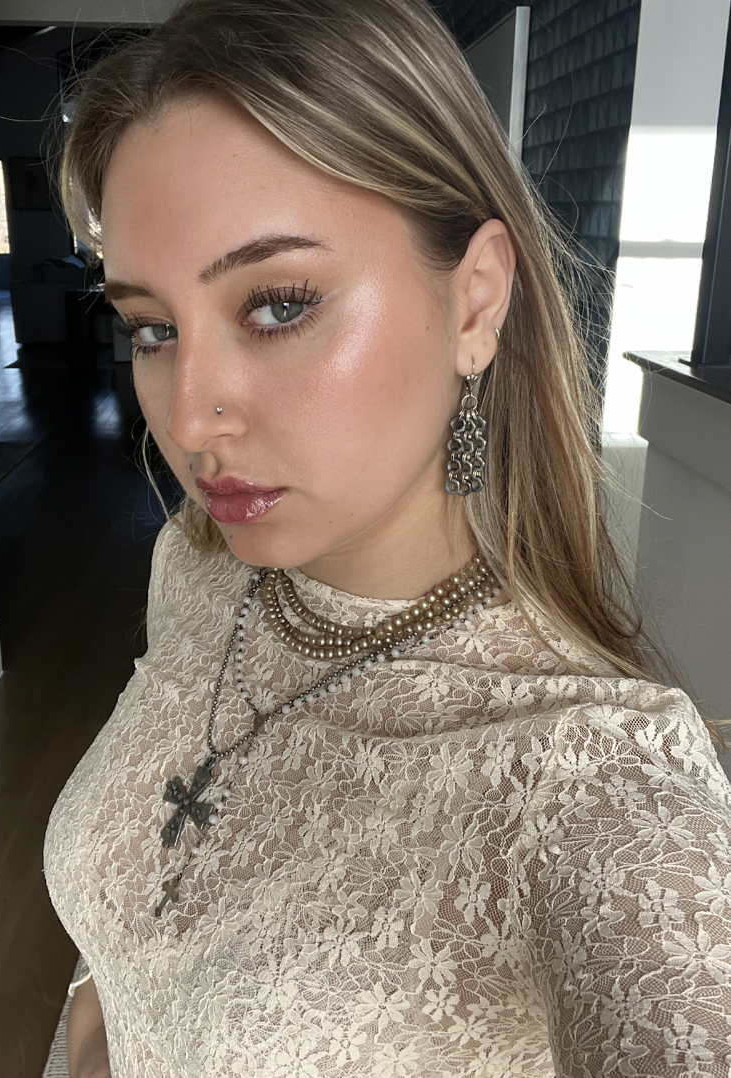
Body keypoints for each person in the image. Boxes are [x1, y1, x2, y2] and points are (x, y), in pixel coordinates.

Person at [43, 0, 731, 1075]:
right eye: (152, 328)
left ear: (475, 302)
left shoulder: (594, 777)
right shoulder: (197, 566)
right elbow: (136, 923)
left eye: (276, 304)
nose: (187, 419)